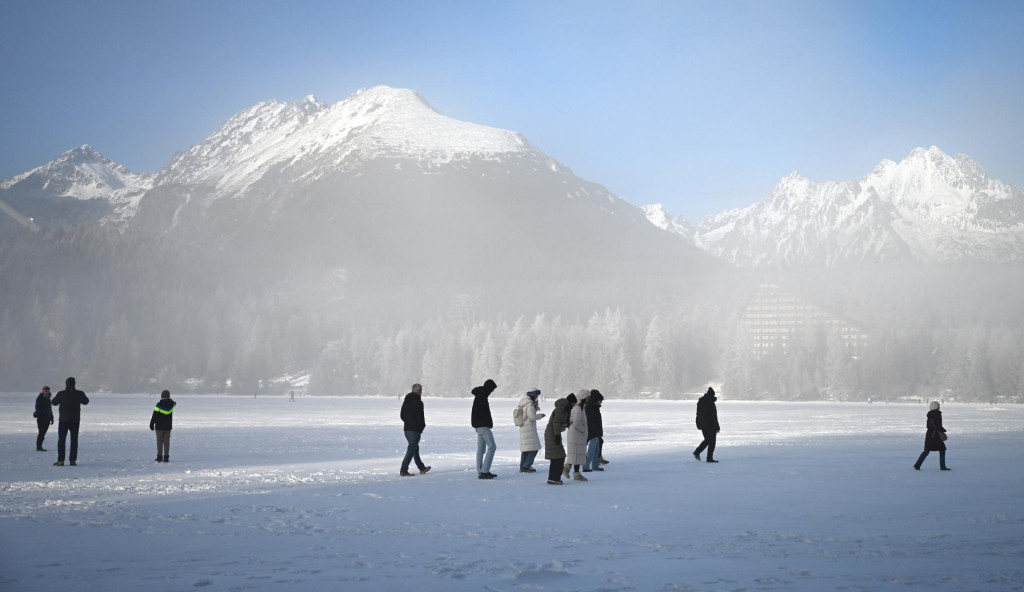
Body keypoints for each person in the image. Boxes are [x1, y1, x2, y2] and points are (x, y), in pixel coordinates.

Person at [51, 377, 89, 466]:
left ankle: (61, 460)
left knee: (61, 441)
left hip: (63, 420)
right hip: (75, 421)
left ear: (66, 384)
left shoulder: (61, 394)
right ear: (74, 384)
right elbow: (86, 401)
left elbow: (54, 403)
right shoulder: (79, 393)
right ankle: (72, 460)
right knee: (74, 441)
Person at [399, 383, 431, 476]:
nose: (420, 392)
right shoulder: (418, 402)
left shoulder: (406, 401)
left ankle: (421, 467)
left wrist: (408, 422)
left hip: (407, 429)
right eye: (419, 390)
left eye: (421, 390)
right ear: (414, 391)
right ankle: (403, 470)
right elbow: (420, 417)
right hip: (414, 430)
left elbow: (402, 415)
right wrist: (420, 426)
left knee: (414, 449)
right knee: (411, 449)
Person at [471, 379, 498, 479]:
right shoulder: (482, 396)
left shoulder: (480, 395)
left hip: (479, 426)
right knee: (492, 447)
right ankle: (484, 471)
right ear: (489, 388)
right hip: (483, 426)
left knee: (481, 449)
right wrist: (487, 423)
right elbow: (481, 413)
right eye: (492, 389)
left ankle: (480, 471)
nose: (492, 391)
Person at [914, 400, 951, 471]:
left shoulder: (929, 414)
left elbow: (929, 426)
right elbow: (938, 426)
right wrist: (943, 431)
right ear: (937, 407)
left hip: (929, 435)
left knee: (926, 450)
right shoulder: (938, 414)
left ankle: (917, 465)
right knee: (942, 450)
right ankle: (943, 467)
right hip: (936, 436)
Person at [544, 396, 572, 484]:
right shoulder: (561, 408)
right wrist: (557, 435)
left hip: (552, 433)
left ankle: (553, 477)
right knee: (559, 456)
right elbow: (556, 421)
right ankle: (554, 478)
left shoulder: (563, 408)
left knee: (557, 456)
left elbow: (560, 422)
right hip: (552, 434)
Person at [517, 389, 545, 472]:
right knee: (534, 448)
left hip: (523, 428)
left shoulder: (523, 402)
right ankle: (527, 465)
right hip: (529, 429)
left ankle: (522, 467)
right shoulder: (530, 404)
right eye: (536, 395)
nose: (537, 397)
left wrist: (535, 408)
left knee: (526, 449)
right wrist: (540, 415)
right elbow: (531, 417)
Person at [565, 389, 591, 481]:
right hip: (576, 435)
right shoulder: (578, 409)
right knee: (576, 454)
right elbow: (576, 423)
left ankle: (572, 471)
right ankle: (575, 473)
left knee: (577, 454)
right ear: (584, 398)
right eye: (588, 397)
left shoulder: (580, 407)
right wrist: (583, 430)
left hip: (577, 435)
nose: (589, 399)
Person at [693, 387, 720, 463]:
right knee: (712, 441)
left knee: (707, 440)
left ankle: (698, 452)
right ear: (712, 395)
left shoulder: (701, 402)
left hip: (703, 425)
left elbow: (698, 414)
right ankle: (708, 457)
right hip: (710, 425)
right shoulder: (710, 403)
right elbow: (713, 417)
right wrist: (717, 427)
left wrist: (699, 424)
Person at [149, 389, 176, 462]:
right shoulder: (172, 404)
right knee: (166, 442)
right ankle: (166, 457)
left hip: (159, 426)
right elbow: (168, 410)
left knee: (159, 442)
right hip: (168, 427)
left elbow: (154, 415)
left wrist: (151, 423)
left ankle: (159, 457)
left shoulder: (159, 405)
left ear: (162, 396)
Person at [584, 389, 604, 472]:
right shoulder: (591, 409)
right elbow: (590, 422)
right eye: (600, 401)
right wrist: (594, 432)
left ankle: (595, 466)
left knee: (596, 450)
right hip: (592, 432)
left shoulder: (594, 408)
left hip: (596, 432)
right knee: (591, 450)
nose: (601, 403)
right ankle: (586, 466)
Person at [34, 386, 54, 451]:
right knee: (41, 433)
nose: (47, 392)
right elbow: (37, 409)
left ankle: (40, 446)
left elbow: (50, 409)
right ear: (43, 391)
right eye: (45, 391)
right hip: (41, 419)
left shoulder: (48, 399)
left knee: (43, 433)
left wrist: (51, 418)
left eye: (47, 391)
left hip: (47, 419)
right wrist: (41, 416)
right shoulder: (39, 399)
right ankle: (38, 446)